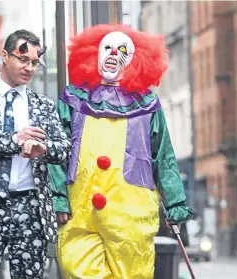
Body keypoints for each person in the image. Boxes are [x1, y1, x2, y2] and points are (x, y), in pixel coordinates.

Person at [48, 24, 194, 279]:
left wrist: (175, 204)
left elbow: (163, 156)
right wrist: (59, 196)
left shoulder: (147, 104)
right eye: (108, 47)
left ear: (134, 60)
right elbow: (57, 150)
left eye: (122, 49)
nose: (114, 53)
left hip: (131, 211)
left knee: (133, 272)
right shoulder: (73, 99)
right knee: (77, 267)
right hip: (81, 209)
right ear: (94, 53)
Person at [0, 29, 71, 279]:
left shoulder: (43, 105)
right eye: (23, 60)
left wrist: (45, 149)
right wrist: (13, 140)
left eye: (33, 63)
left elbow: (65, 148)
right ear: (5, 56)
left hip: (31, 206)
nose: (29, 68)